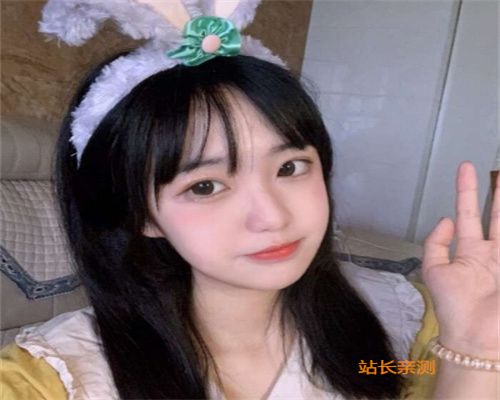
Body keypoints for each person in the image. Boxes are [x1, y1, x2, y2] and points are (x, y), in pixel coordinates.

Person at [1, 1, 498, 399]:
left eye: (290, 168)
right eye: (205, 186)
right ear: (140, 213)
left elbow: (418, 374)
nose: (273, 217)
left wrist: (474, 350)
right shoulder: (58, 377)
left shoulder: (404, 329)